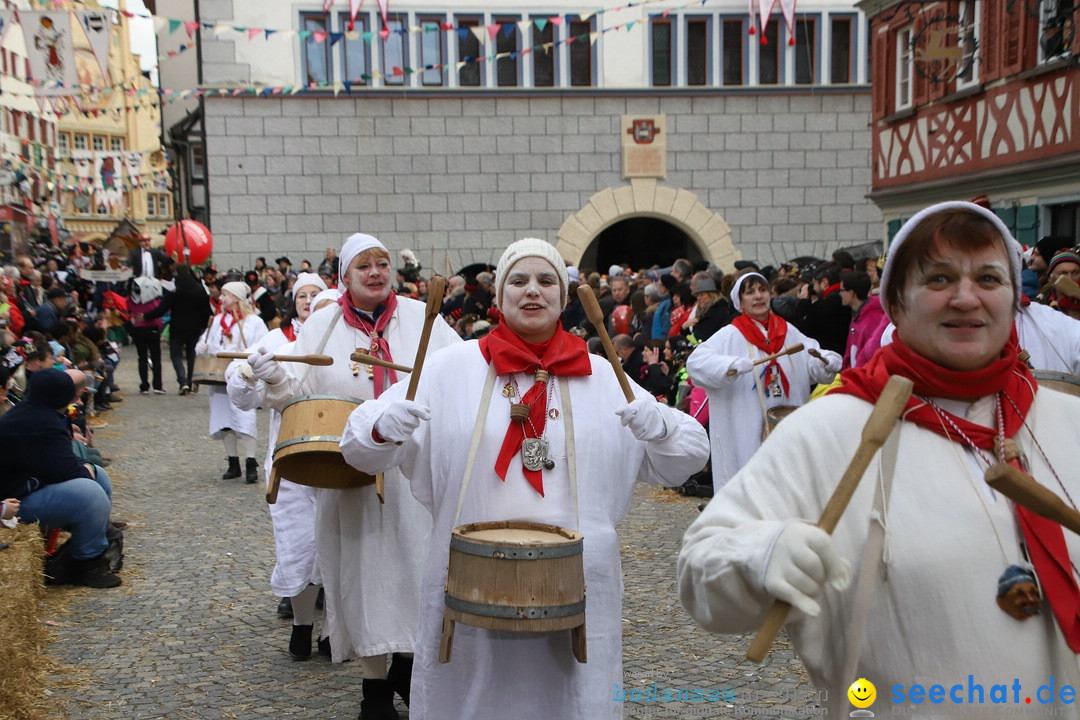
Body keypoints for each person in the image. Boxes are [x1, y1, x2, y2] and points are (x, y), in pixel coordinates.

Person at [679, 201, 1080, 714]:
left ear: (1013, 296)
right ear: (894, 303)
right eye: (938, 279)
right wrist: (762, 555)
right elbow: (701, 569)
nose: (965, 297)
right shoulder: (831, 431)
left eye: (988, 277)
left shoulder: (1065, 419)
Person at [338, 238, 710, 720]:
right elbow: (359, 450)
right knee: (473, 694)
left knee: (571, 697)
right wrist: (382, 429)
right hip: (471, 576)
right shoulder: (452, 368)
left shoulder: (601, 374)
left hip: (578, 581)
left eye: (545, 281)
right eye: (518, 280)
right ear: (498, 297)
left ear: (564, 296)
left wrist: (662, 428)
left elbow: (687, 456)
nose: (532, 291)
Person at [248, 233, 460, 719]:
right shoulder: (322, 324)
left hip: (410, 476)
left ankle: (407, 667)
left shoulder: (420, 316)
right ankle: (374, 689)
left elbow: (458, 372)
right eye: (363, 265)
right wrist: (273, 375)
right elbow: (293, 394)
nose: (375, 272)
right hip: (346, 474)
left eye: (382, 263)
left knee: (414, 572)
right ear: (344, 275)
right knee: (360, 578)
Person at [226, 277, 332, 661]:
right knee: (297, 543)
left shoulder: (347, 351)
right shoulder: (278, 344)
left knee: (336, 547)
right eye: (302, 296)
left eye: (317, 298)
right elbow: (241, 394)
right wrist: (247, 372)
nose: (309, 303)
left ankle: (332, 629)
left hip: (339, 462)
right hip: (290, 461)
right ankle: (302, 626)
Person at [686, 272, 841, 491]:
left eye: (762, 290)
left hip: (785, 426)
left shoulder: (788, 332)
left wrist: (826, 363)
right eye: (750, 293)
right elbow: (696, 364)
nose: (758, 296)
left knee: (787, 485)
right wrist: (729, 365)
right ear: (740, 303)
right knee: (751, 488)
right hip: (746, 431)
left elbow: (810, 362)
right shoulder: (730, 335)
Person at [0, 368, 120, 588]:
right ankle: (86, 563)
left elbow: (59, 463)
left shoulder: (35, 412)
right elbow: (63, 470)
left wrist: (86, 469)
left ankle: (98, 535)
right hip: (12, 505)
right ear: (65, 397)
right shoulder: (39, 421)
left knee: (97, 475)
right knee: (89, 495)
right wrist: (85, 471)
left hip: (23, 488)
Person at [196, 281, 268, 483]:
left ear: (236, 297)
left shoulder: (254, 321)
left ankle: (251, 462)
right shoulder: (217, 320)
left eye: (225, 295)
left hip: (242, 375)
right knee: (224, 420)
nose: (221, 299)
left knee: (245, 418)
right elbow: (206, 342)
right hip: (218, 377)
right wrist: (202, 346)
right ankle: (233, 463)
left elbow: (263, 345)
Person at [839, 270, 887, 369]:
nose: (839, 294)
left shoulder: (872, 319)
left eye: (842, 290)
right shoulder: (858, 315)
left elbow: (871, 357)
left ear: (852, 293)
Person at [127, 276, 166, 395]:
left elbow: (127, 310)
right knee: (156, 358)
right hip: (153, 329)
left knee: (142, 358)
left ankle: (144, 385)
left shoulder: (130, 300)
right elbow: (158, 313)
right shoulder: (153, 300)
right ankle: (157, 385)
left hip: (139, 330)